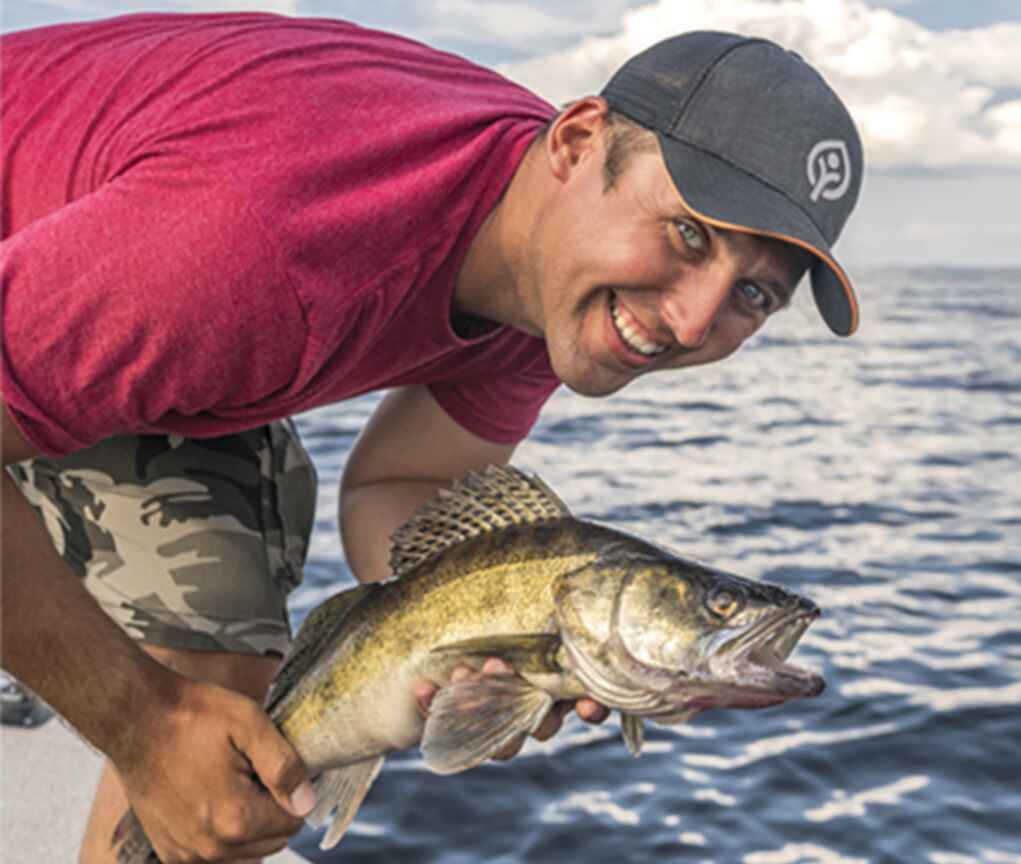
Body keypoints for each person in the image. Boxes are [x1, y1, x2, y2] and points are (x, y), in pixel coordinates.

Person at [0, 11, 863, 864]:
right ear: (576, 142)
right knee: (175, 723)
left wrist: (464, 645)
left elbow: (398, 484)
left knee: (222, 719)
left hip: (102, 301)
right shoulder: (256, 245)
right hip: (79, 256)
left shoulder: (552, 275)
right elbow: (220, 267)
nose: (690, 318)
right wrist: (140, 723)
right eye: (687, 233)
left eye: (754, 295)